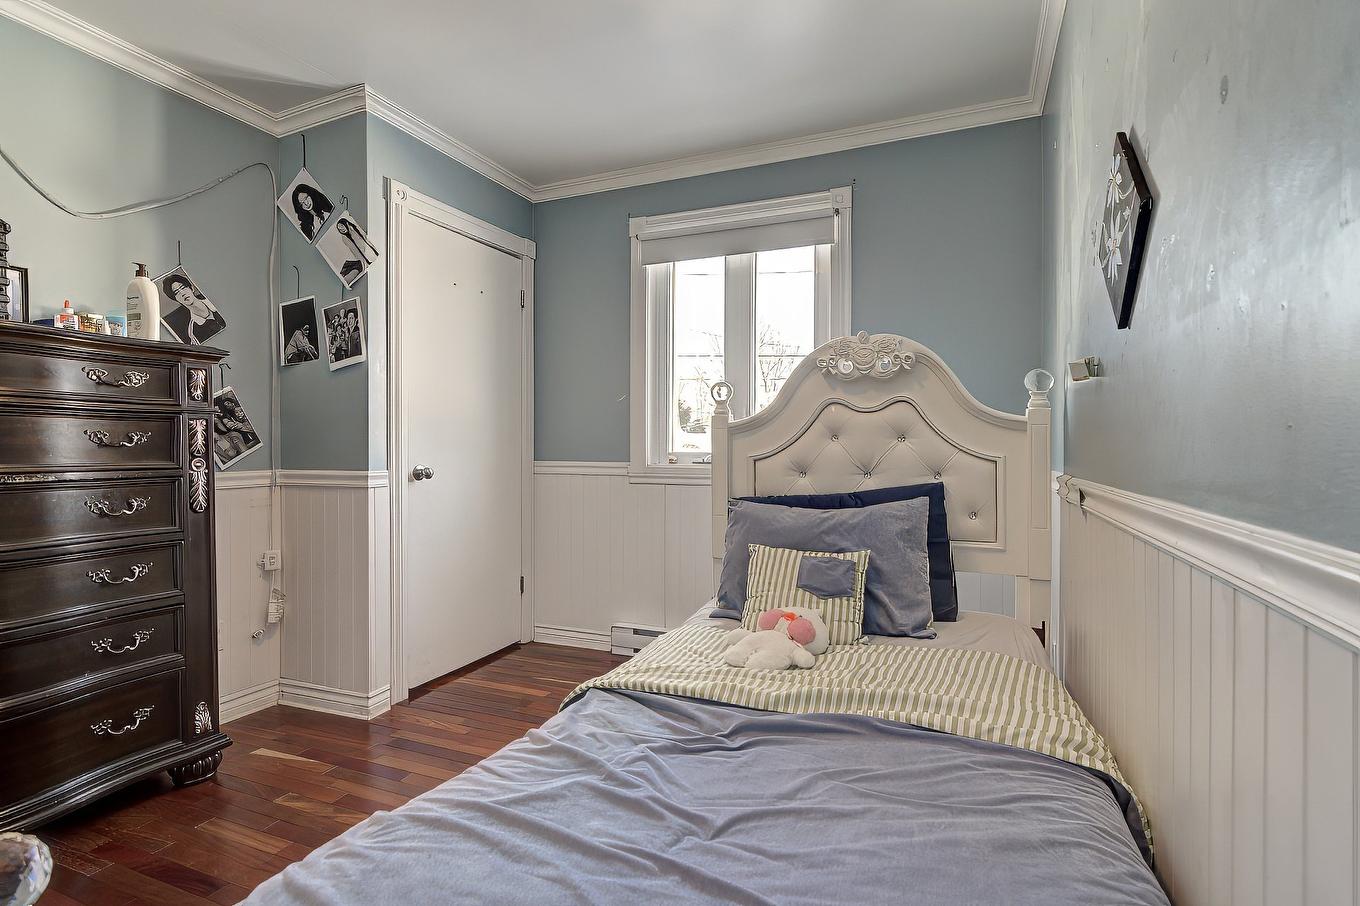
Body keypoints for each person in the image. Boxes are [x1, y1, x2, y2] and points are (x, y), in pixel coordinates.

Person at [160, 273, 226, 344]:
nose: (182, 293)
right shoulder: (192, 333)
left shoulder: (215, 300)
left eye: (182, 287)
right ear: (176, 300)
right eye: (176, 292)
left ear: (192, 288)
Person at [334, 219, 378, 283]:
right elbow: (354, 251)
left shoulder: (354, 229)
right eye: (339, 228)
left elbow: (364, 240)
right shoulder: (345, 238)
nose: (341, 229)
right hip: (361, 261)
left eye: (342, 226)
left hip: (370, 254)